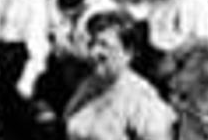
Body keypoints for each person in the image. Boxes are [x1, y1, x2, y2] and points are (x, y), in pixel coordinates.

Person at [64, 11, 175, 140]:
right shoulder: (87, 87)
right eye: (92, 43)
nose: (94, 52)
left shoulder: (141, 101)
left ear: (128, 52)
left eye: (104, 45)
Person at [0, 0, 56, 140]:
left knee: (22, 124)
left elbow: (37, 42)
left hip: (19, 60)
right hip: (6, 57)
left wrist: (27, 80)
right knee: (7, 121)